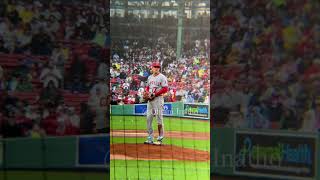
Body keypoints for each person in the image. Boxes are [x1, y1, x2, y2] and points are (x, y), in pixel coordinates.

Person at [144, 62, 168, 144]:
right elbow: (147, 87)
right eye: (155, 67)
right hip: (150, 100)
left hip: (158, 99)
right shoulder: (150, 77)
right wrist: (147, 92)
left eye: (158, 67)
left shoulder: (162, 77)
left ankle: (160, 139)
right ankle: (150, 138)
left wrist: (155, 94)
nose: (157, 68)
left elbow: (165, 89)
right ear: (152, 68)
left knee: (159, 119)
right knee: (148, 118)